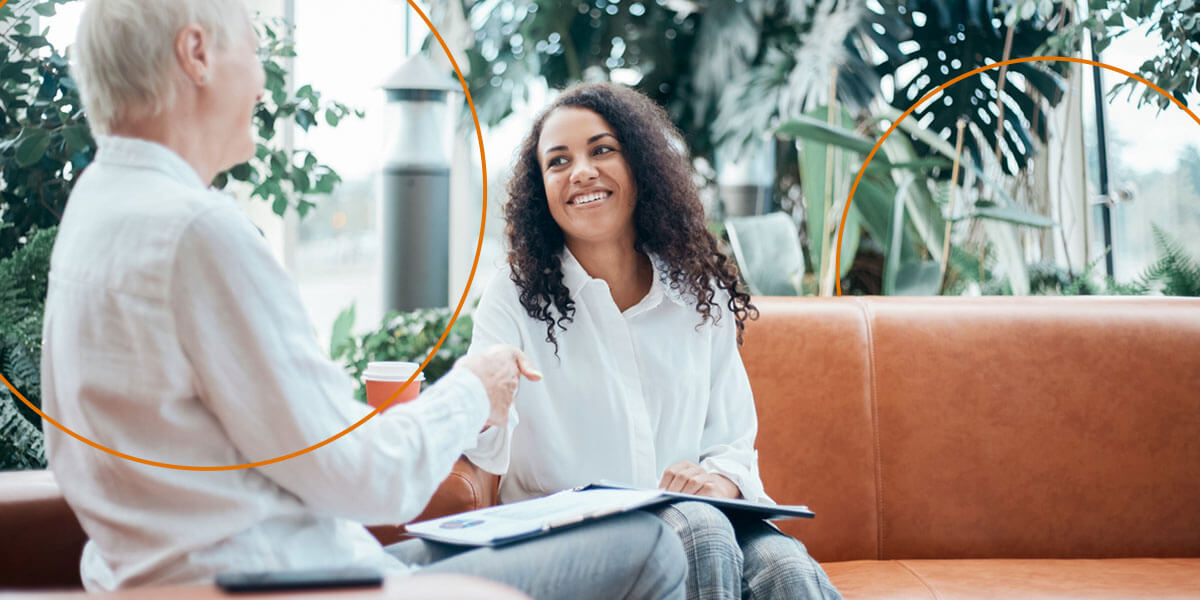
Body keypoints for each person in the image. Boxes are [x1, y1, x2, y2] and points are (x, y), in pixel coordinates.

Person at [41, 1, 685, 597]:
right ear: (197, 54)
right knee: (650, 544)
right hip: (284, 582)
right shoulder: (197, 232)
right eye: (255, 51)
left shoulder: (96, 211)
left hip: (217, 572)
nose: (263, 84)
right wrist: (472, 391)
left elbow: (296, 447)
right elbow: (366, 479)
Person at [464, 82, 843, 600]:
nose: (581, 172)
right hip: (573, 537)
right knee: (701, 528)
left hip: (702, 519)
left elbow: (732, 438)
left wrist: (719, 483)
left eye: (602, 150)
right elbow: (484, 448)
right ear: (540, 190)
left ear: (639, 165)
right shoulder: (513, 296)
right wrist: (485, 398)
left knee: (782, 564)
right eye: (558, 162)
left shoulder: (698, 291)